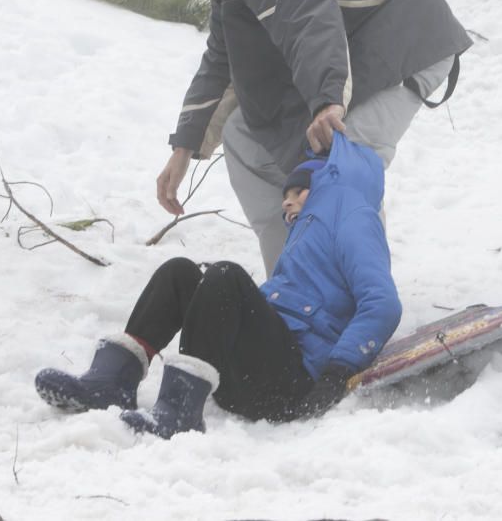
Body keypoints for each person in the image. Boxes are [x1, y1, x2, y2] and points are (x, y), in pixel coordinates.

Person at [147, 0, 472, 276]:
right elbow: (221, 60)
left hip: (409, 39)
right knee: (245, 137)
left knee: (340, 154)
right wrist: (183, 149)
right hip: (356, 50)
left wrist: (326, 102)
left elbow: (307, 13)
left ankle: (359, 296)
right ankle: (294, 288)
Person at [35, 133, 401, 438]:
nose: (286, 203)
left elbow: (382, 303)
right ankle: (111, 382)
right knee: (180, 273)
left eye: (297, 193)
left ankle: (180, 411)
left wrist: (337, 373)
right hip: (252, 375)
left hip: (293, 382)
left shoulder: (355, 215)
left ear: (325, 184)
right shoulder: (306, 231)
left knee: (226, 276)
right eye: (284, 197)